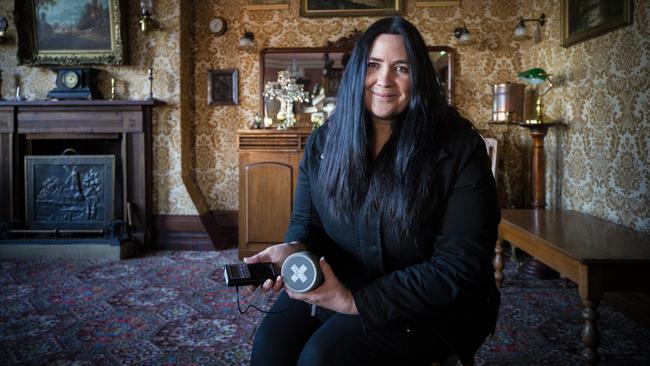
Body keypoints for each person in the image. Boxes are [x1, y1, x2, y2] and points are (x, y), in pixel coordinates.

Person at [246, 16, 500, 366]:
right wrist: (293, 250)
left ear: (420, 78)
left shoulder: (458, 148)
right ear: (356, 73)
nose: (384, 81)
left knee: (321, 358)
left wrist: (353, 302)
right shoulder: (324, 141)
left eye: (402, 68)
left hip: (433, 301)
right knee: (270, 346)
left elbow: (459, 267)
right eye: (374, 65)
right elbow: (308, 226)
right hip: (343, 274)